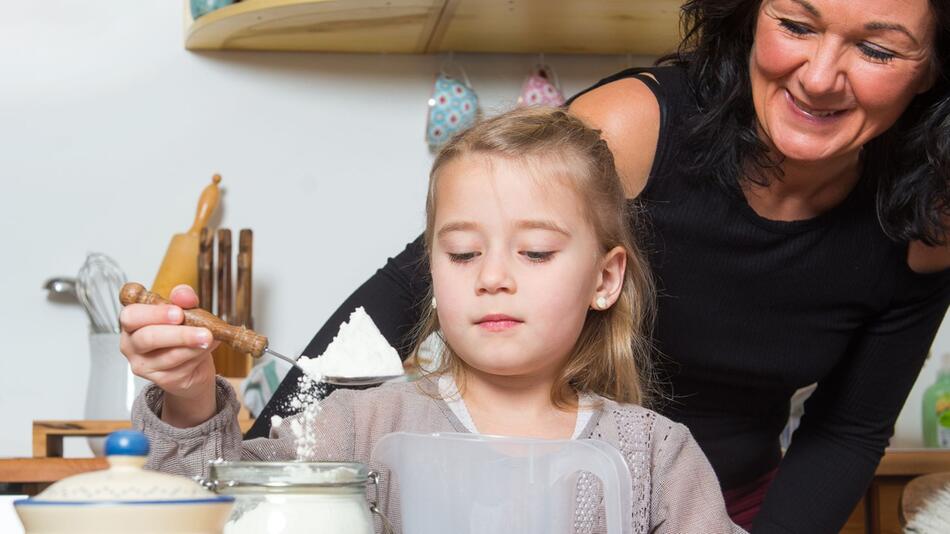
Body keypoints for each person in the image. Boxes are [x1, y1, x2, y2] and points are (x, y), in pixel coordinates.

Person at [248, 0, 950, 532]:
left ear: (935, 68)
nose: (820, 77)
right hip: (550, 496)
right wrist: (263, 470)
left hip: (725, 507)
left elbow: (846, 431)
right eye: (796, 25)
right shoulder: (634, 128)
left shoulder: (929, 220)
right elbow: (401, 297)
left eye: (877, 51)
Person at [121, 107, 744, 533]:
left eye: (535, 252)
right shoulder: (361, 426)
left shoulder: (659, 457)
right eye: (463, 253)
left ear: (604, 280)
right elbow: (213, 510)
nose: (492, 277)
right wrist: (189, 397)